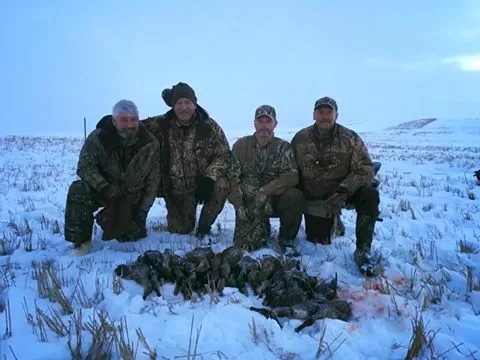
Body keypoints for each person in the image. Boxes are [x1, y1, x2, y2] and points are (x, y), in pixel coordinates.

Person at [291, 96, 380, 275]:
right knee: (319, 241)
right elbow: (290, 168)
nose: (325, 116)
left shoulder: (350, 138)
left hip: (344, 193)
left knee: (370, 194)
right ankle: (334, 222)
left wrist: (343, 192)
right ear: (314, 115)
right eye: (321, 112)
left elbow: (365, 168)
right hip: (316, 198)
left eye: (329, 112)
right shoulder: (300, 138)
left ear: (336, 115)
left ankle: (363, 250)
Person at [64, 100, 160, 255]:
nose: (129, 125)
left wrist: (141, 213)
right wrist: (105, 187)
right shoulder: (98, 138)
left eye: (133, 120)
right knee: (78, 189)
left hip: (131, 195)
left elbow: (153, 181)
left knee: (130, 236)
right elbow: (85, 167)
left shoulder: (150, 143)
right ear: (114, 121)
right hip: (103, 190)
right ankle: (81, 242)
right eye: (124, 120)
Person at [142, 82, 231, 237]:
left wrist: (210, 178)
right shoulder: (159, 124)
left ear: (195, 104)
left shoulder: (210, 126)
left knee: (222, 184)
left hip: (202, 184)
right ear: (173, 106)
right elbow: (132, 128)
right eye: (179, 103)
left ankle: (204, 228)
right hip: (173, 188)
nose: (184, 107)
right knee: (181, 231)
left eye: (188, 102)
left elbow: (224, 155)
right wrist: (111, 121)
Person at [228, 105, 304, 251]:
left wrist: (266, 191)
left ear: (275, 124)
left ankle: (286, 240)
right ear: (254, 123)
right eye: (260, 121)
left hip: (275, 201)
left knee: (295, 196)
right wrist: (238, 205)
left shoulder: (284, 147)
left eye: (268, 121)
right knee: (245, 246)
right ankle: (260, 226)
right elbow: (232, 177)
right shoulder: (240, 145)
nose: (264, 126)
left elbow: (292, 176)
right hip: (249, 205)